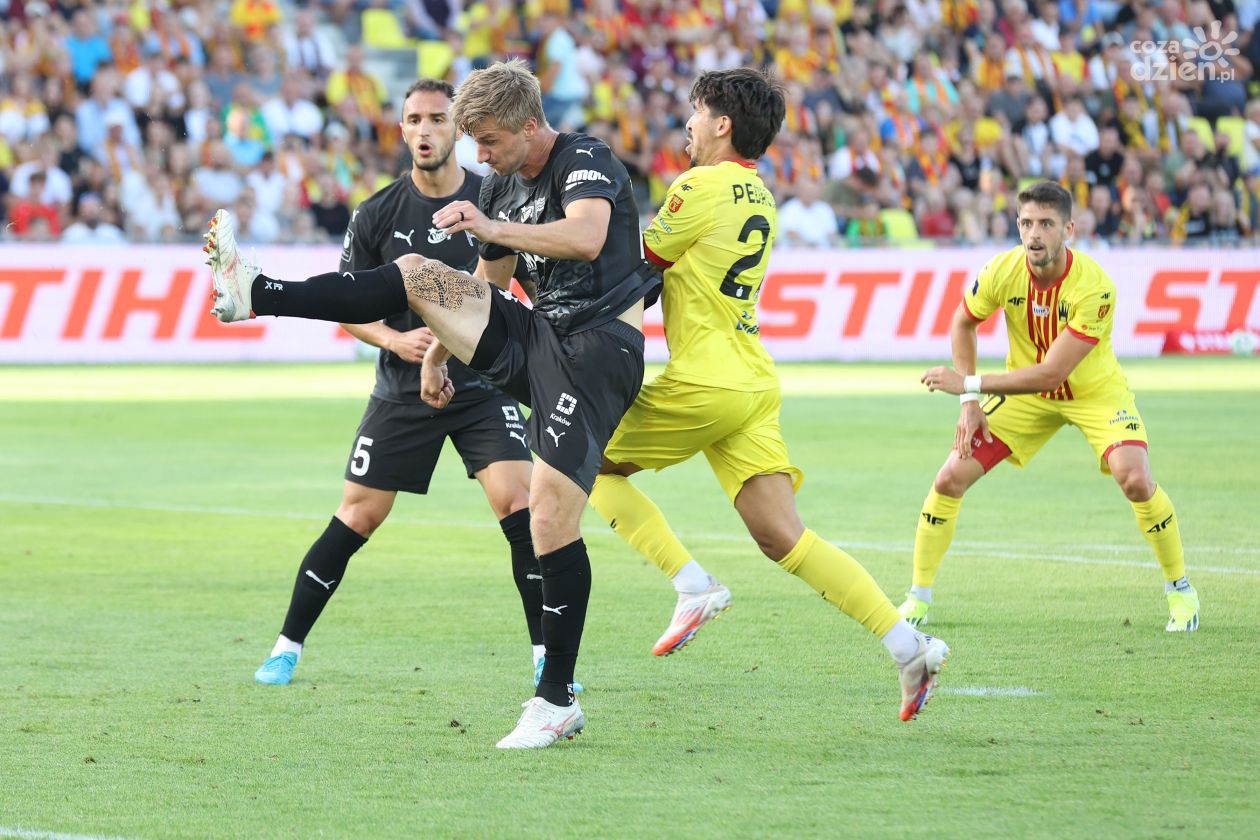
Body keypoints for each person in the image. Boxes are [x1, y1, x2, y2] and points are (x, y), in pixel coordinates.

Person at [203, 59, 658, 749]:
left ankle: (556, 697)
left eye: (490, 141)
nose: (482, 156)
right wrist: (439, 355)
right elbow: (487, 287)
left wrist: (491, 226)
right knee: (419, 274)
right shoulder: (497, 185)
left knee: (545, 516)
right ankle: (258, 294)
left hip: (599, 351)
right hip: (538, 338)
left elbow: (586, 236)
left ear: (528, 125)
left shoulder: (584, 159)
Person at [584, 69, 950, 723]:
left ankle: (691, 584)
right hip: (753, 380)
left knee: (580, 460)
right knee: (785, 538)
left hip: (707, 380)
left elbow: (637, 276)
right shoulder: (761, 193)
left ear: (722, 124)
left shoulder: (696, 186)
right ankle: (908, 646)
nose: (687, 124)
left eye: (696, 112)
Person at [251, 79, 555, 693]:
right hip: (399, 390)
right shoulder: (376, 212)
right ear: (401, 130)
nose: (424, 130)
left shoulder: (491, 197)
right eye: (414, 119)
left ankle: (547, 656)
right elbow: (347, 305)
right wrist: (394, 342)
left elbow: (500, 287)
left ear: (458, 130)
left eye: (437, 119)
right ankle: (286, 648)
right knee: (359, 515)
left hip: (482, 387)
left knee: (519, 505)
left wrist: (444, 348)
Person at [903, 181, 1199, 633]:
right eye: (1026, 223)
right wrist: (969, 401)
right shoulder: (1002, 271)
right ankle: (917, 599)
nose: (1033, 234)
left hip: (1093, 393)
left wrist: (970, 382)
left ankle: (1180, 591)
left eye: (1045, 224)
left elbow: (1052, 374)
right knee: (949, 478)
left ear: (1068, 230)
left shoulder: (1095, 287)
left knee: (1136, 479)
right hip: (1027, 400)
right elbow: (963, 322)